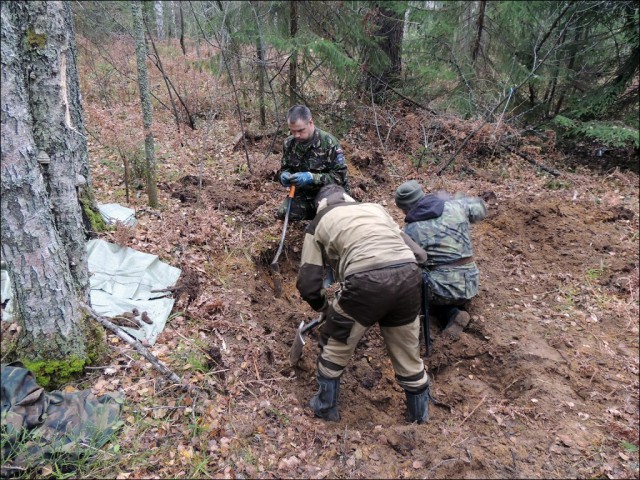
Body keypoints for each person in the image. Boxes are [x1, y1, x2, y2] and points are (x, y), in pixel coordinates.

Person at [296, 184, 432, 424]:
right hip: (408, 278)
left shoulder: (318, 223)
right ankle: (419, 419)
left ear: (320, 205)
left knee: (335, 343)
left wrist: (324, 308)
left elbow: (308, 283)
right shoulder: (376, 209)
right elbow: (420, 256)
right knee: (408, 354)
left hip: (366, 282)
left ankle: (325, 407)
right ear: (349, 199)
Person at [394, 180, 487, 338]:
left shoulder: (410, 230)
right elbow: (481, 209)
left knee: (410, 274)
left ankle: (438, 316)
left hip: (442, 290)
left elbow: (413, 261)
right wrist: (459, 200)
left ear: (406, 207)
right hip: (471, 282)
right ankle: (453, 313)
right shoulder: (456, 206)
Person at [277, 105, 350, 221]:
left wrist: (312, 177)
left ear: (310, 123)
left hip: (330, 195)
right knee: (284, 212)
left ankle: (325, 214)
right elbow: (285, 168)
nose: (296, 135)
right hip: (305, 196)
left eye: (301, 130)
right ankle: (317, 214)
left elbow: (339, 177)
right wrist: (283, 176)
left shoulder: (329, 142)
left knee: (333, 218)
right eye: (293, 131)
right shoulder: (289, 143)